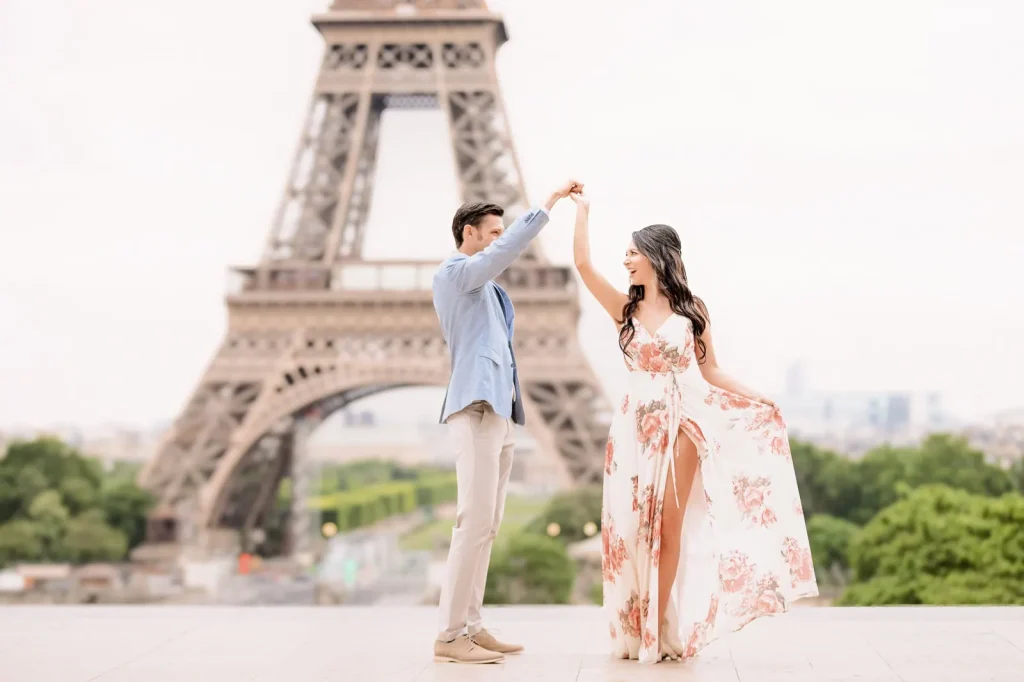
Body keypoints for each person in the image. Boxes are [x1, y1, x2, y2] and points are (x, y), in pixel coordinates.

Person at [569, 190, 819, 663]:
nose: (626, 260)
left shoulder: (692, 312)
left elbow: (711, 371)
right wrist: (583, 212)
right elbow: (582, 264)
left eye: (633, 252)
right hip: (632, 430)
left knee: (667, 529)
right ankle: (640, 623)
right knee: (630, 531)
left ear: (657, 256)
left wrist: (758, 397)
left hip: (682, 422)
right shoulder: (625, 310)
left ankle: (654, 632)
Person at [432, 179, 582, 664]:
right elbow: (504, 253)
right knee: (472, 522)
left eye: (502, 231)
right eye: (493, 232)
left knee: (487, 526)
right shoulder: (456, 274)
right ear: (469, 233)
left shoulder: (491, 291)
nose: (500, 238)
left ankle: (472, 626)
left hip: (499, 411)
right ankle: (449, 635)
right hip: (476, 407)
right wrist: (547, 206)